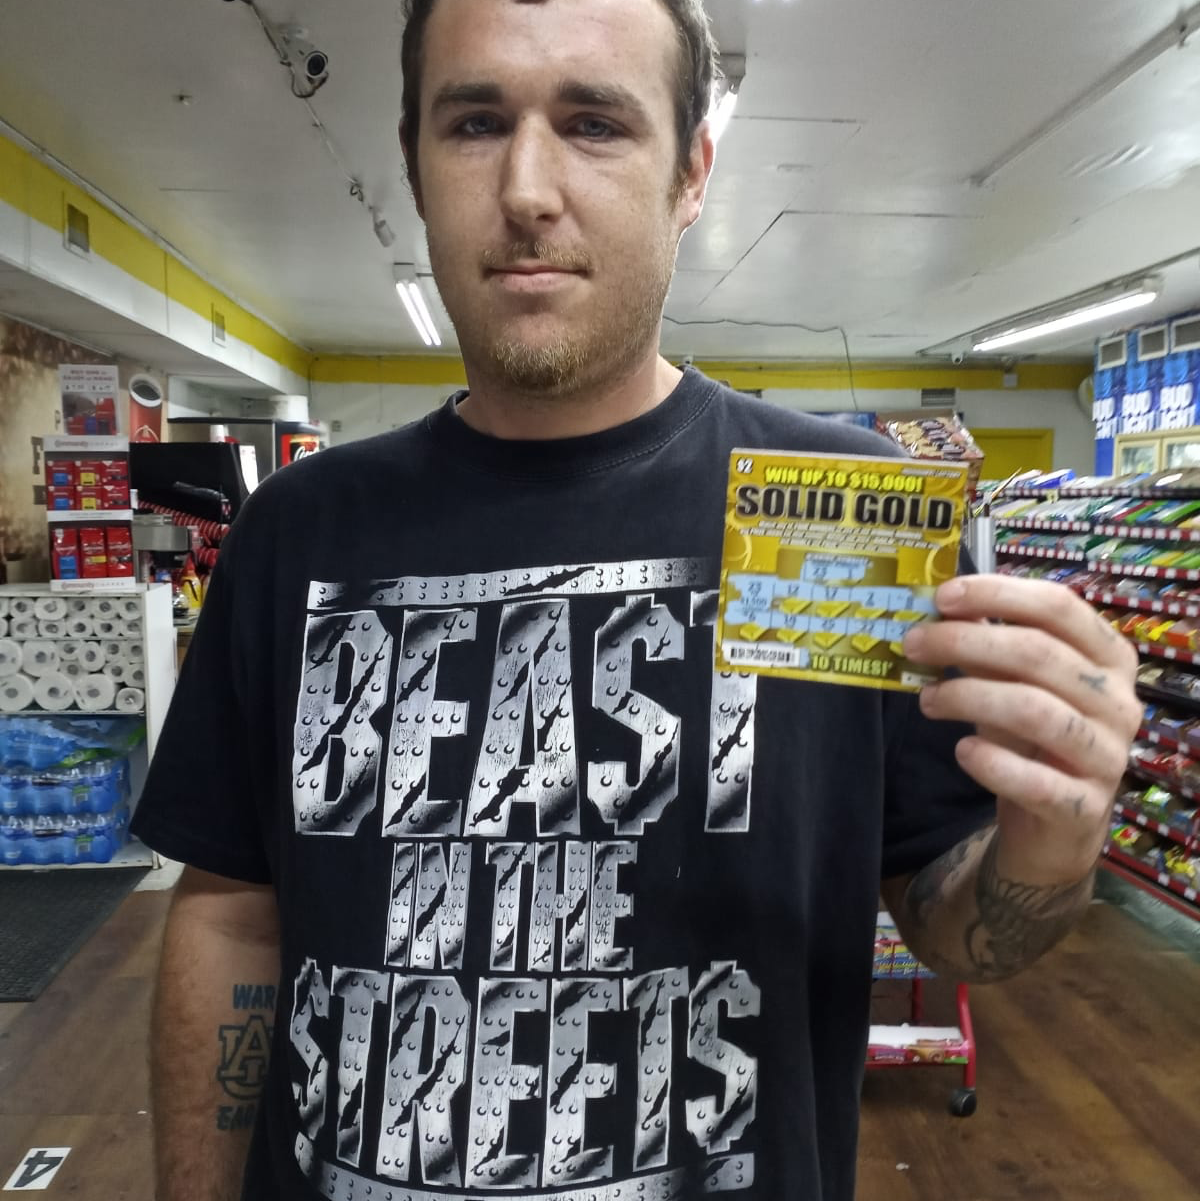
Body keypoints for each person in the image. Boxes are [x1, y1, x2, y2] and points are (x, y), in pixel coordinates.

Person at [132, 0, 1140, 1198]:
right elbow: (230, 917)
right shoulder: (296, 531)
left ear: (691, 173)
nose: (527, 189)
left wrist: (1050, 845)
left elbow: (943, 915)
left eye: (595, 122)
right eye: (474, 122)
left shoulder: (852, 520)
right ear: (414, 160)